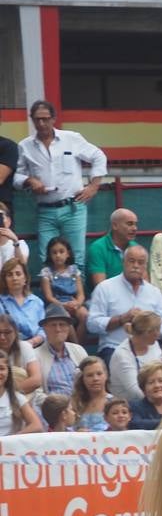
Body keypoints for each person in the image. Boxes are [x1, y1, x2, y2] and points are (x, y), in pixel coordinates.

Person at [13, 100, 107, 268]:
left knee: (76, 257)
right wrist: (29, 180)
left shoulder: (71, 138)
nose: (41, 123)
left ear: (53, 118)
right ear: (32, 120)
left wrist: (93, 186)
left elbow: (98, 156)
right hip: (45, 209)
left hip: (73, 206)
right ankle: (49, 294)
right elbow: (17, 177)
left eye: (45, 119)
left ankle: (78, 295)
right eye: (37, 119)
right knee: (46, 258)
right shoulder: (25, 146)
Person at [88, 244, 162, 363]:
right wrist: (121, 319)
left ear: (146, 266)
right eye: (131, 261)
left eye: (141, 262)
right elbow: (92, 323)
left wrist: (148, 325)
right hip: (114, 348)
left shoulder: (154, 292)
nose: (135, 266)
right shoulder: (105, 288)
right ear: (123, 262)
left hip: (148, 350)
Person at [108, 311, 162, 403]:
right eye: (157, 330)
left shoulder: (154, 344)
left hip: (155, 398)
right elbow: (136, 392)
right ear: (147, 333)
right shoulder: (122, 355)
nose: (159, 334)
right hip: (128, 406)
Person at [38, 236, 87, 340]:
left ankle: (80, 346)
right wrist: (63, 305)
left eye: (61, 252)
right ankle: (75, 346)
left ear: (68, 254)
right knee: (66, 318)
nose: (58, 255)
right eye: (54, 252)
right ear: (49, 255)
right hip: (56, 305)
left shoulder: (74, 271)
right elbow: (49, 297)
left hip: (73, 303)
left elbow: (81, 294)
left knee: (84, 315)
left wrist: (77, 304)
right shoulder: (46, 272)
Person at [35, 303, 86, 399]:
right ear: (45, 328)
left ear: (68, 328)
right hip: (54, 410)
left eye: (62, 325)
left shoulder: (79, 350)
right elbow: (37, 394)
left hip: (83, 406)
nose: (58, 329)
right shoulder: (35, 356)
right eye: (53, 325)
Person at [0, 258, 45, 346]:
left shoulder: (37, 302)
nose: (14, 278)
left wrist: (32, 342)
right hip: (9, 349)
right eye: (10, 275)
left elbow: (43, 329)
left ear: (25, 278)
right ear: (5, 280)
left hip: (37, 347)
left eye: (18, 274)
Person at [0, 353, 42, 436]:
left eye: (2, 368)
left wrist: (13, 439)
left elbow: (36, 426)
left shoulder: (17, 398)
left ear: (8, 372)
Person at [0, 315, 40, 395]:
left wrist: (7, 395)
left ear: (15, 332)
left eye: (7, 332)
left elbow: (36, 380)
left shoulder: (24, 347)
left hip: (26, 396)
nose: (2, 337)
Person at [71, 356, 113, 432]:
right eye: (89, 375)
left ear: (106, 375)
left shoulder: (113, 402)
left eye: (99, 374)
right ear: (83, 379)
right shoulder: (75, 403)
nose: (95, 379)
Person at [128, 360, 162, 430]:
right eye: (151, 382)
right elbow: (136, 424)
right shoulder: (135, 407)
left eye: (161, 381)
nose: (157, 385)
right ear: (143, 388)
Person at [0, 202, 28, 268]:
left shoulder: (21, 244)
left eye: (0, 217)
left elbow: (23, 266)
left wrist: (15, 242)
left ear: (9, 221)